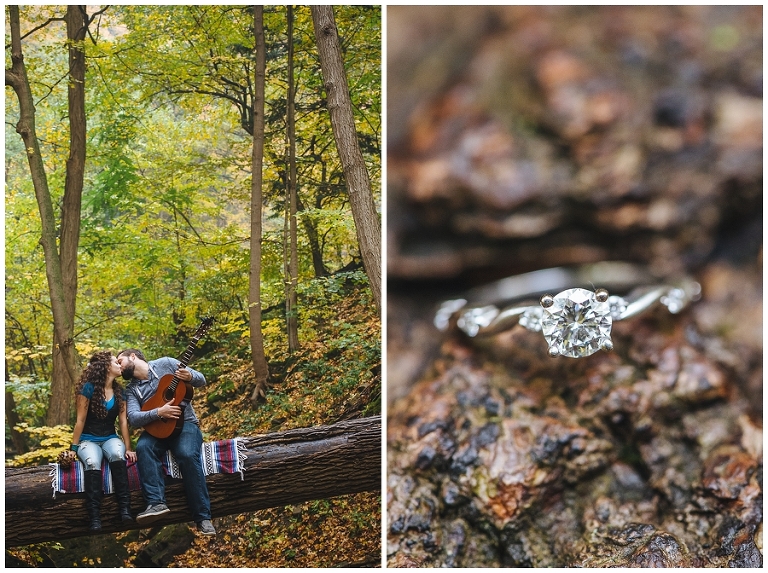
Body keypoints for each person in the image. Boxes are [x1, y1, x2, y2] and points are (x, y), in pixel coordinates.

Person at [117, 348, 216, 536]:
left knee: (187, 455)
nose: (118, 366)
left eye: (119, 361)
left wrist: (190, 375)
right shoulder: (131, 390)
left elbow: (201, 380)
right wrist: (158, 412)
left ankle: (203, 517)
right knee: (144, 447)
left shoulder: (166, 364)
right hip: (156, 431)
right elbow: (133, 417)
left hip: (185, 424)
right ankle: (156, 503)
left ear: (132, 356)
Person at [65, 350, 136, 532]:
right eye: (115, 362)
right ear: (105, 367)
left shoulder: (120, 392)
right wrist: (73, 448)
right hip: (88, 439)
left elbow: (122, 422)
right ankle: (95, 517)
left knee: (116, 453)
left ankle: (125, 509)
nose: (120, 365)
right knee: (92, 461)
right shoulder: (88, 388)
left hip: (110, 438)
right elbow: (80, 420)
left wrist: (129, 448)